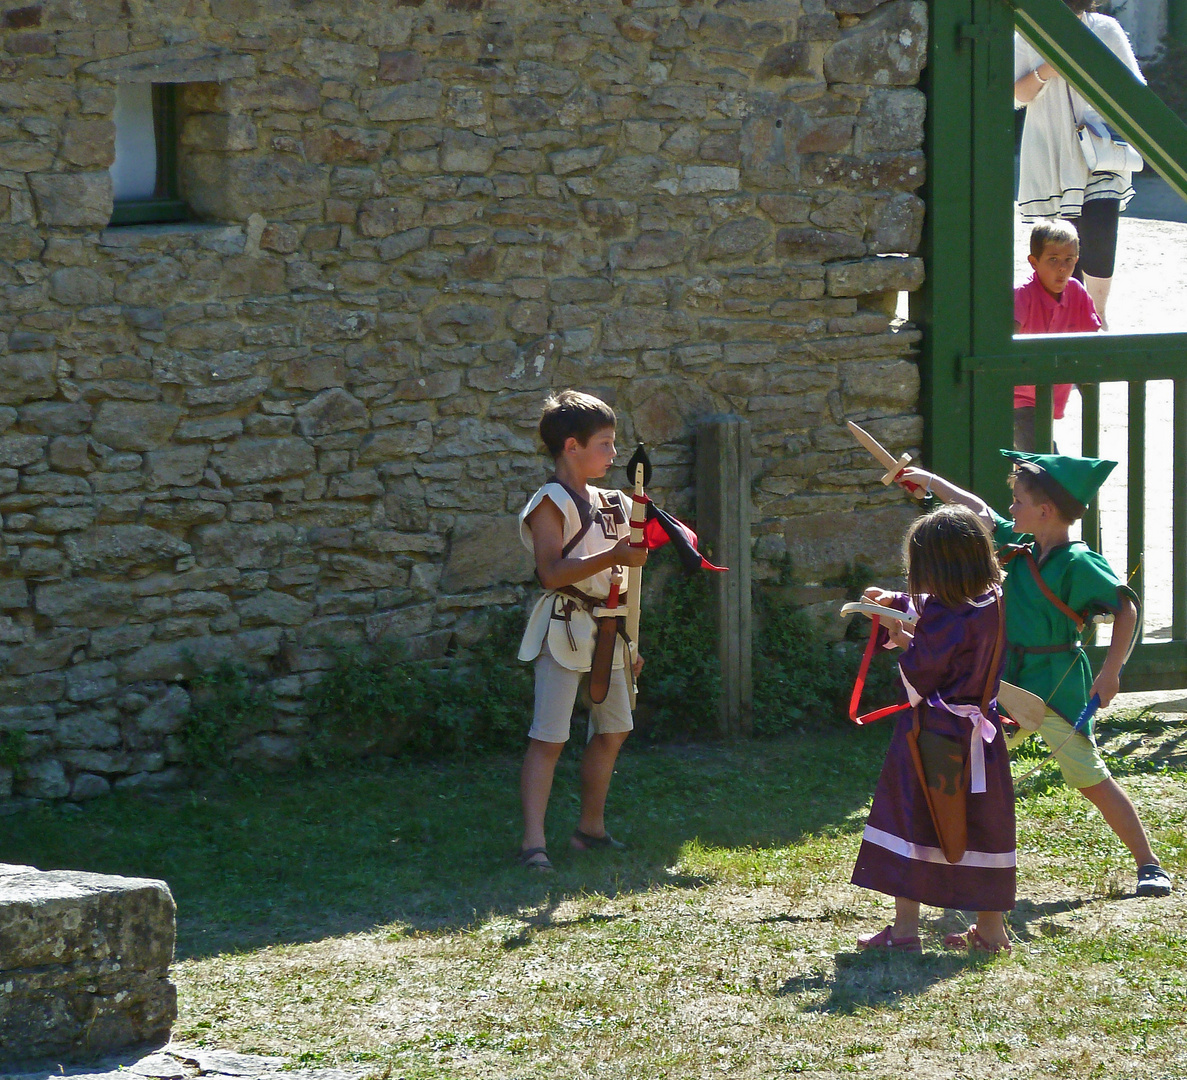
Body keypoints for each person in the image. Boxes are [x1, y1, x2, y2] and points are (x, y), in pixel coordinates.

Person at [899, 452, 1173, 898]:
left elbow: (1126, 608)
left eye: (1018, 501)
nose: (1010, 509)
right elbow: (977, 511)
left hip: (1055, 681)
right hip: (1001, 678)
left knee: (1090, 777)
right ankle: (948, 866)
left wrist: (1110, 674)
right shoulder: (1018, 544)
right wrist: (930, 480)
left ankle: (1148, 864)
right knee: (962, 768)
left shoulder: (1080, 563)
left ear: (1044, 510)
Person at [852, 505, 1016, 955]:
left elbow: (919, 680)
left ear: (937, 567)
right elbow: (942, 610)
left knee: (913, 820)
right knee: (985, 825)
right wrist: (895, 601)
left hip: (933, 734)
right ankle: (991, 930)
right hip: (983, 738)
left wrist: (900, 635)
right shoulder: (993, 596)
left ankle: (904, 932)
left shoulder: (946, 615)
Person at [514, 390, 646, 872]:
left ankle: (590, 829)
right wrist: (614, 556)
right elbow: (550, 573)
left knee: (614, 729)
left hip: (611, 631)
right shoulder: (548, 502)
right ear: (572, 446)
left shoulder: (612, 501)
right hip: (564, 626)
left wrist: (632, 641)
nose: (614, 454)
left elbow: (628, 580)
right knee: (549, 737)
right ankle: (534, 844)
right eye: (605, 444)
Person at [1014, 0, 1145, 329]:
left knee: (1100, 229)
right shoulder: (1028, 33)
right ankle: (1073, 322)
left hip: (1100, 147)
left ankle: (1097, 320)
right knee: (1068, 241)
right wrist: (1049, 69)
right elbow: (1014, 95)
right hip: (1053, 152)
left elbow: (1135, 90)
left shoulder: (1105, 29)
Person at [1013, 220, 1102, 452]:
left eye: (1069, 260)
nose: (1062, 268)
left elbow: (1094, 343)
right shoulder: (1022, 294)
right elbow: (1006, 341)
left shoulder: (1076, 292)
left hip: (1047, 400)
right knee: (1045, 466)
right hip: (1016, 399)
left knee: (1029, 470)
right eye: (1053, 259)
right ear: (1034, 262)